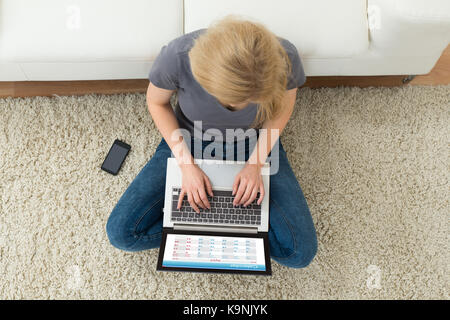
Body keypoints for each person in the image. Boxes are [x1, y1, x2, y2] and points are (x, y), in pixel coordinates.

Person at [106, 16, 317, 268]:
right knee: (121, 233)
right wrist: (186, 166)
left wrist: (255, 164)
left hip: (255, 141)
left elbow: (283, 107)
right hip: (189, 141)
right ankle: (226, 232)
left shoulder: (285, 57)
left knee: (300, 253)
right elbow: (156, 102)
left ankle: (205, 232)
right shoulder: (177, 56)